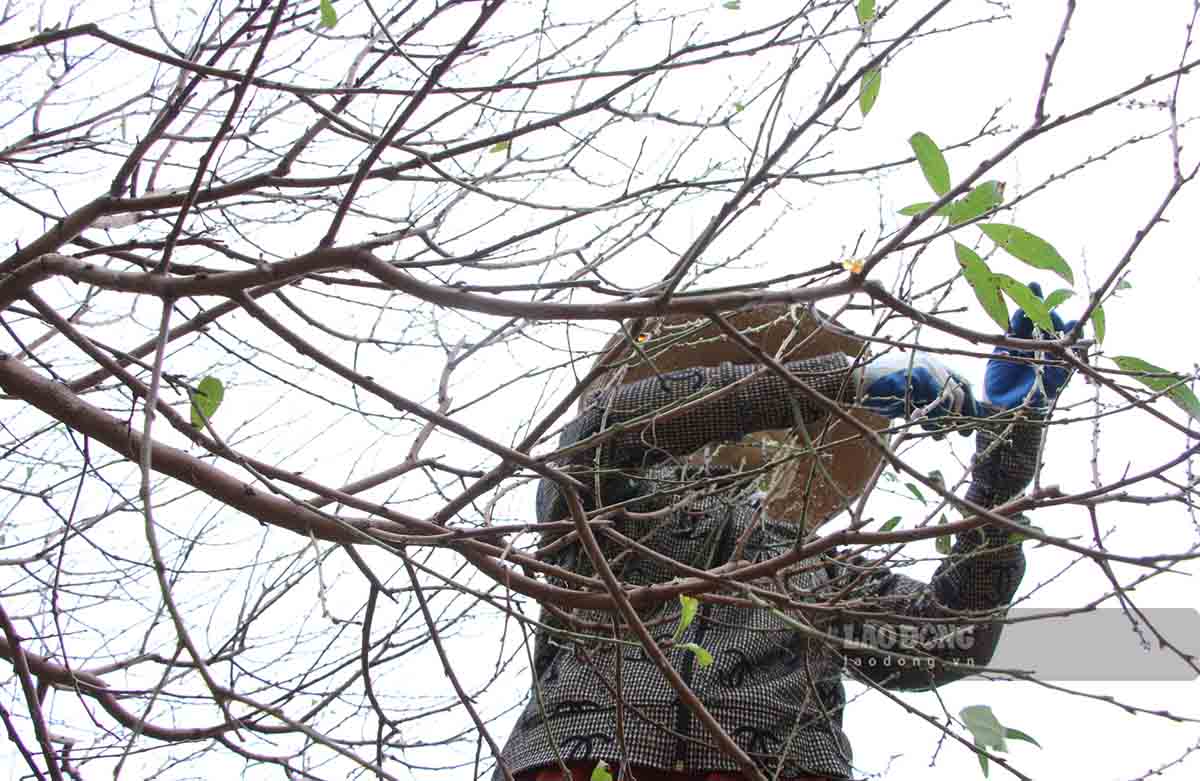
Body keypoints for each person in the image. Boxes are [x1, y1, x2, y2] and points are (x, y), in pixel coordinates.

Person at [496, 292, 1075, 781]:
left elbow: (948, 637)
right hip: (584, 756)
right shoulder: (608, 512)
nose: (763, 440)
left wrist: (1008, 450)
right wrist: (835, 384)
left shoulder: (811, 566)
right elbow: (601, 435)